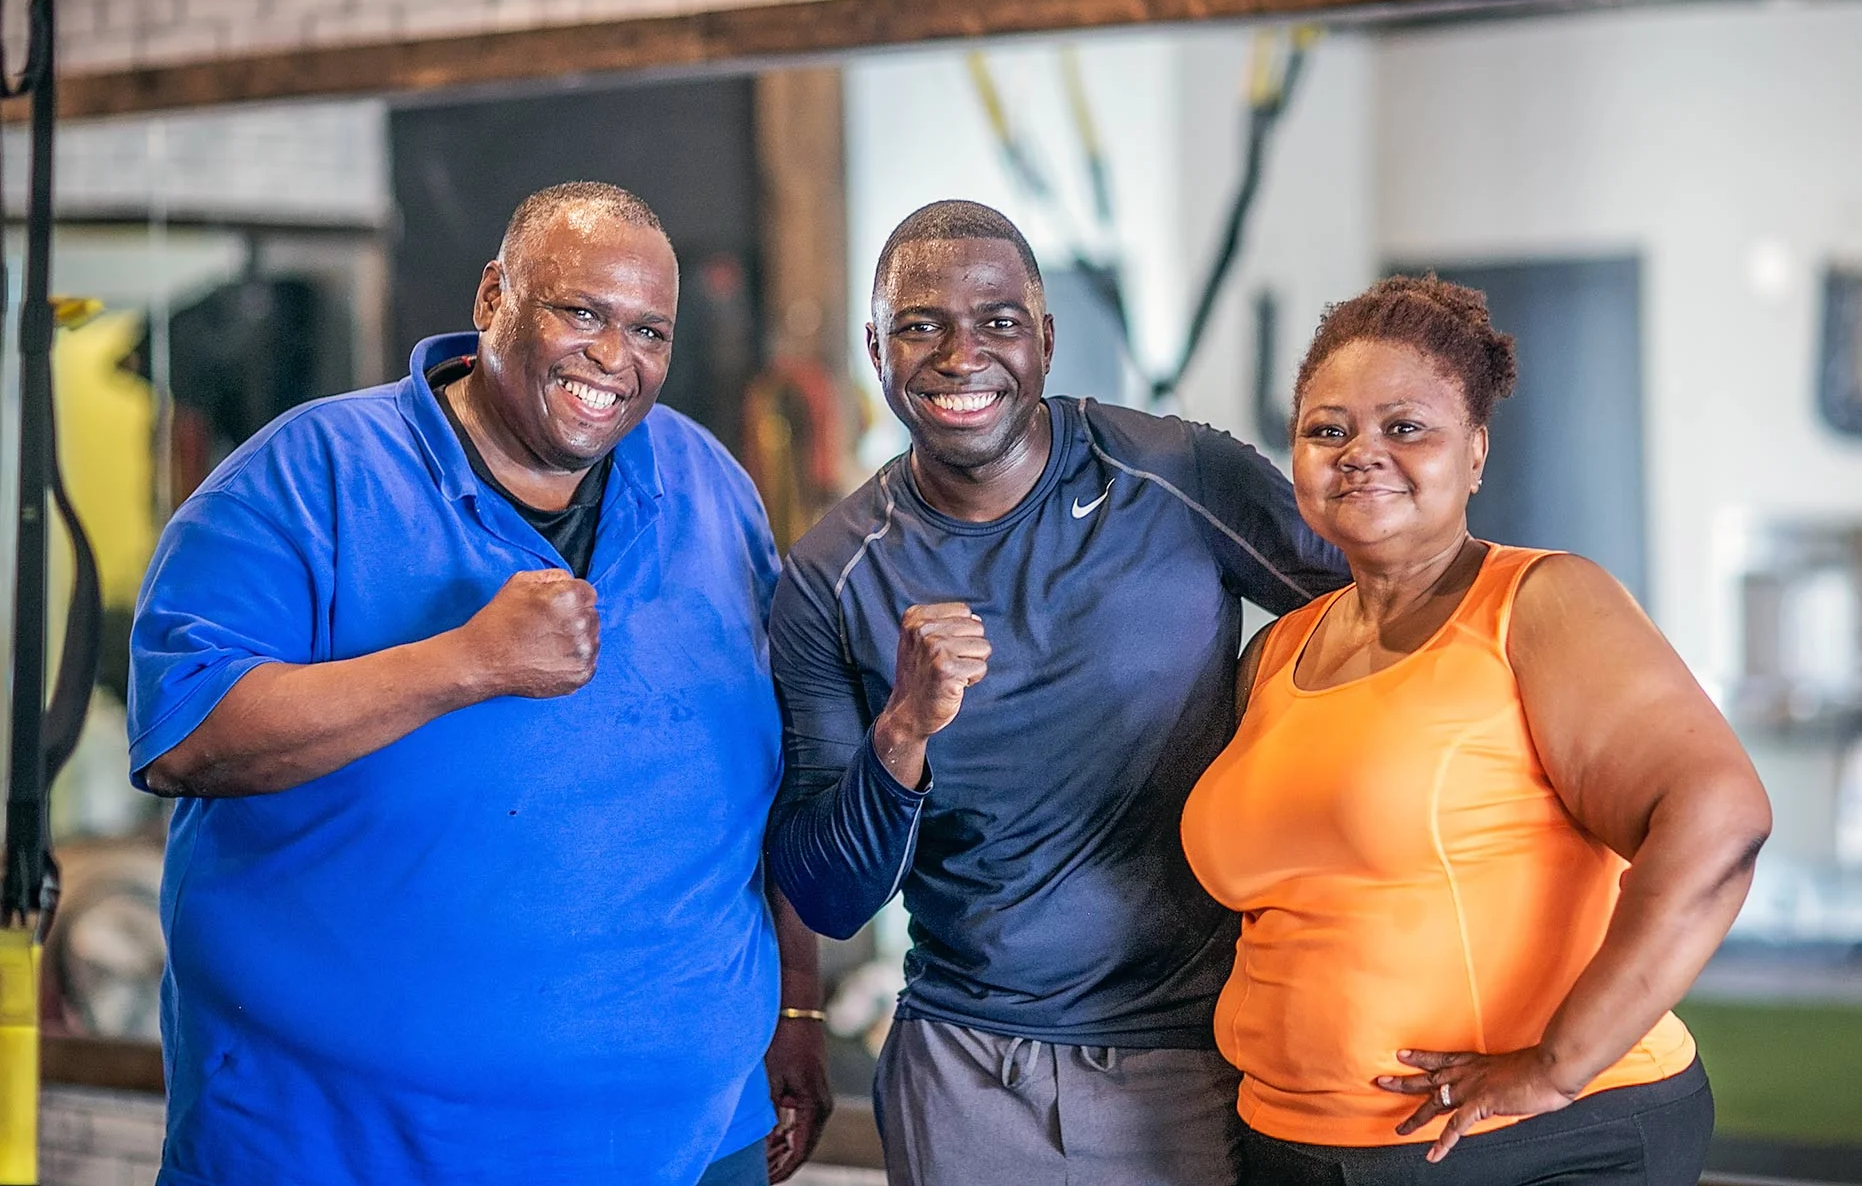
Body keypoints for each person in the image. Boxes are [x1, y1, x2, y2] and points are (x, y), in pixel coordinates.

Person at [128, 182, 830, 1186]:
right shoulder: (305, 477)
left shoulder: (708, 483)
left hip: (688, 1139)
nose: (614, 356)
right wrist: (465, 661)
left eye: (648, 331)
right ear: (494, 295)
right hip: (343, 1147)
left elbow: (776, 764)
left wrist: (797, 1002)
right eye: (581, 312)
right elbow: (185, 738)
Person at [765, 199, 1347, 1185]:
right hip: (964, 1068)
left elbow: (1383, 609)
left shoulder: (1174, 473)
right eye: (920, 325)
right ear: (875, 349)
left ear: (1043, 338)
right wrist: (902, 730)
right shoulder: (831, 573)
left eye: (996, 321)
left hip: (1187, 1050)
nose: (961, 355)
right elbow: (829, 891)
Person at [1182, 274, 1774, 1185]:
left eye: (1405, 427)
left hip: (1523, 1144)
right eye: (1328, 430)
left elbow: (1718, 818)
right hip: (1293, 1140)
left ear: (1475, 454)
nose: (1361, 453)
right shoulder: (1277, 651)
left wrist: (1557, 1065)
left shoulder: (1537, 604)